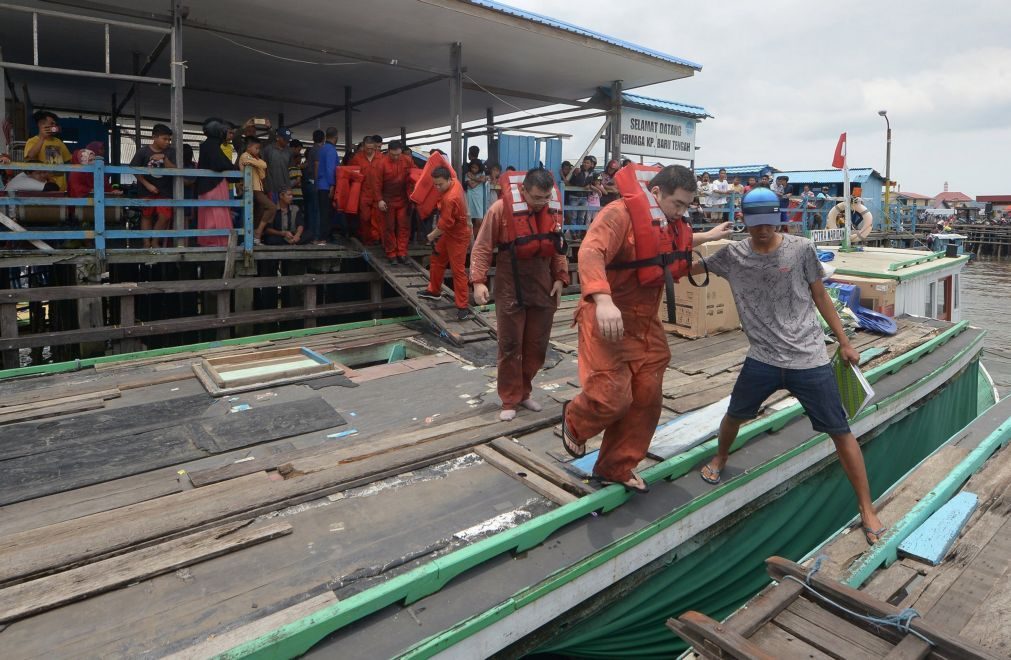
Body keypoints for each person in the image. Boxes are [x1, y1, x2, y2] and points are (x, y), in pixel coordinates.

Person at [696, 187, 885, 543]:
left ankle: (866, 508)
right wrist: (698, 237)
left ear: (778, 219)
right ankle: (720, 458)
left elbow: (821, 296)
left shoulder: (800, 250)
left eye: (769, 223)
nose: (763, 230)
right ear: (745, 223)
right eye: (756, 225)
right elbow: (680, 265)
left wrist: (845, 342)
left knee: (840, 431)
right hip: (762, 358)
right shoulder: (732, 255)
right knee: (735, 415)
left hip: (809, 359)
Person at [561, 164, 732, 492]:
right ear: (656, 194)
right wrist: (602, 298)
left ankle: (615, 466)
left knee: (648, 396)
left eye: (686, 207)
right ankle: (574, 421)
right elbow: (590, 251)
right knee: (611, 396)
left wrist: (709, 236)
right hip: (606, 315)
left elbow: (662, 247)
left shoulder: (669, 221)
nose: (681, 213)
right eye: (677, 205)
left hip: (644, 320)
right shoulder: (617, 214)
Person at [471, 169, 569, 421]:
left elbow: (558, 248)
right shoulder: (500, 210)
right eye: (537, 198)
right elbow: (482, 246)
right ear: (523, 191)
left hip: (543, 282)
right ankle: (509, 398)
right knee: (510, 344)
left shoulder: (552, 209)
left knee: (537, 345)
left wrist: (560, 277)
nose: (541, 203)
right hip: (509, 282)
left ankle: (524, 391)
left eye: (546, 198)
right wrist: (478, 281)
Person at [417, 166, 472, 320]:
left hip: (459, 235)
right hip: (450, 232)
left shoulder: (450, 198)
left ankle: (463, 306)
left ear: (448, 180)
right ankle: (434, 291)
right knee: (437, 258)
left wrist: (429, 237)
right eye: (435, 184)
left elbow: (444, 225)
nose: (437, 187)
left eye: (440, 184)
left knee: (457, 270)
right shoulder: (454, 181)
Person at [129, 123, 177, 248]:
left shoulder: (171, 152)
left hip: (165, 191)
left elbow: (175, 169)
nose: (167, 142)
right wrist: (147, 184)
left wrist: (164, 158)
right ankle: (146, 243)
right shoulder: (143, 152)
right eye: (164, 139)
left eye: (169, 139)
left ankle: (155, 241)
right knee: (146, 215)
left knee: (165, 216)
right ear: (154, 137)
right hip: (146, 190)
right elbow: (134, 169)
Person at [195, 118, 237, 247]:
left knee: (211, 213)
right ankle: (216, 242)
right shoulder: (212, 145)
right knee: (216, 212)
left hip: (209, 185)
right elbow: (219, 164)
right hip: (213, 186)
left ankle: (211, 241)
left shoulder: (209, 145)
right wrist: (234, 169)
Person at [377, 140, 414, 263]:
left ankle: (402, 252)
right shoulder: (381, 163)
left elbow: (414, 176)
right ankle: (391, 253)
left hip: (403, 199)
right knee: (388, 227)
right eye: (393, 155)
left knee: (404, 226)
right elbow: (376, 184)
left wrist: (413, 195)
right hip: (387, 200)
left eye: (398, 154)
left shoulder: (407, 160)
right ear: (388, 152)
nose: (396, 157)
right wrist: (379, 200)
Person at [23, 111, 72, 191]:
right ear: (41, 124)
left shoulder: (58, 142)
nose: (54, 126)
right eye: (51, 123)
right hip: (43, 187)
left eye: (55, 124)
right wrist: (42, 138)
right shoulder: (32, 141)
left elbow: (69, 159)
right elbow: (30, 156)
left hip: (61, 188)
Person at [238, 136, 274, 244]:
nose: (258, 151)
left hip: (258, 188)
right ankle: (258, 232)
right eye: (256, 148)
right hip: (253, 189)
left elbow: (262, 174)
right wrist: (258, 162)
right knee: (271, 207)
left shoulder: (253, 159)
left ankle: (253, 237)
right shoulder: (245, 156)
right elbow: (264, 164)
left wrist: (256, 161)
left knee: (258, 213)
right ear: (249, 147)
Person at [350, 135, 385, 244]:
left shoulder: (382, 158)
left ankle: (376, 239)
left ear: (375, 147)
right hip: (363, 193)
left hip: (378, 193)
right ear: (363, 146)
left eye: (371, 148)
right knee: (365, 218)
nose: (369, 150)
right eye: (367, 148)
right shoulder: (357, 158)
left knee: (378, 218)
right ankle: (367, 241)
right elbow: (351, 175)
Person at [315, 127, 342, 244]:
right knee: (327, 213)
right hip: (327, 186)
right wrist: (332, 185)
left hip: (321, 184)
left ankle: (323, 236)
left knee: (323, 212)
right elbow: (330, 168)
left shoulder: (322, 148)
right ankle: (324, 238)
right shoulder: (331, 150)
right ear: (336, 137)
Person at [302, 129, 324, 241]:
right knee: (317, 211)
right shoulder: (319, 150)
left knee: (310, 211)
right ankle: (316, 236)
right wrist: (317, 183)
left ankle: (309, 235)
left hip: (308, 184)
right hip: (315, 183)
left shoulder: (311, 150)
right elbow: (317, 166)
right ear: (324, 139)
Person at [262, 127, 292, 198]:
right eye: (285, 139)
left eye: (288, 139)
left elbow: (289, 168)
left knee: (284, 208)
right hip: (271, 188)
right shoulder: (268, 149)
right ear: (278, 137)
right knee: (273, 208)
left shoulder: (289, 151)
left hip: (285, 188)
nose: (287, 141)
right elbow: (262, 168)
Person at [464, 159, 488, 235]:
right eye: (472, 167)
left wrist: (473, 178)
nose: (473, 169)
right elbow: (472, 185)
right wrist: (480, 180)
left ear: (479, 168)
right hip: (470, 197)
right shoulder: (467, 174)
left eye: (475, 168)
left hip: (479, 198)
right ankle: (470, 238)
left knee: (479, 220)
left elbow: (483, 179)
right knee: (469, 219)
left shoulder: (482, 173)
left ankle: (476, 237)